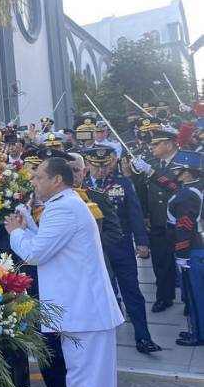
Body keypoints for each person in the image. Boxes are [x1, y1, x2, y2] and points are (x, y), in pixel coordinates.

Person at [6, 157, 124, 387]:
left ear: (57, 180)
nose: (34, 182)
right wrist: (27, 224)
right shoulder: (66, 204)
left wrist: (14, 232)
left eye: (39, 177)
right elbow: (49, 243)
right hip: (82, 317)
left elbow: (35, 252)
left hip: (86, 317)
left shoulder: (63, 207)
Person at [85, 146, 162, 354]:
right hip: (94, 250)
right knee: (102, 293)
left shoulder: (122, 183)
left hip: (121, 246)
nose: (101, 170)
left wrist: (142, 242)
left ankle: (143, 337)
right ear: (87, 164)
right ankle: (102, 338)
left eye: (105, 165)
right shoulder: (80, 187)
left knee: (132, 291)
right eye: (96, 166)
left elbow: (135, 213)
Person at [131, 125, 180, 312]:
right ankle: (164, 297)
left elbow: (177, 188)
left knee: (184, 263)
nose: (152, 148)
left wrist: (152, 174)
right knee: (160, 263)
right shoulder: (153, 162)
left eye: (156, 144)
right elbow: (144, 192)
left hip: (180, 222)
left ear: (168, 144)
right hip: (158, 221)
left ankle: (191, 300)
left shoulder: (183, 162)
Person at [167, 150, 204, 346]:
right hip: (192, 248)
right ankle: (196, 330)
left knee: (195, 295)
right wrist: (151, 173)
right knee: (193, 294)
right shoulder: (190, 189)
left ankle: (199, 335)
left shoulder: (187, 196)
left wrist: (181, 254)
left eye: (178, 170)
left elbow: (184, 227)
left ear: (187, 173)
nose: (176, 173)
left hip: (189, 250)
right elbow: (171, 185)